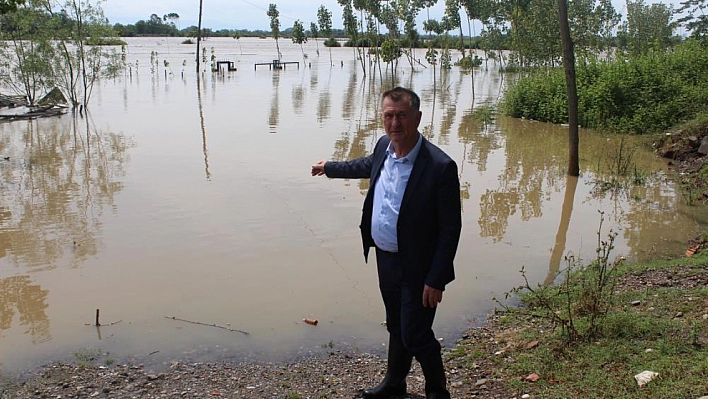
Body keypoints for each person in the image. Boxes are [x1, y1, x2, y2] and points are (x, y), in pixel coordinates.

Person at [311, 87, 462, 399]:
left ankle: (438, 391)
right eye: (389, 116)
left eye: (402, 116)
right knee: (396, 324)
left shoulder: (439, 166)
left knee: (416, 334)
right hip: (386, 257)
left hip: (419, 265)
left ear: (417, 118)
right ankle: (394, 383)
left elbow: (450, 229)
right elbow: (366, 165)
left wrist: (437, 279)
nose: (395, 123)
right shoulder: (384, 147)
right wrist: (330, 168)